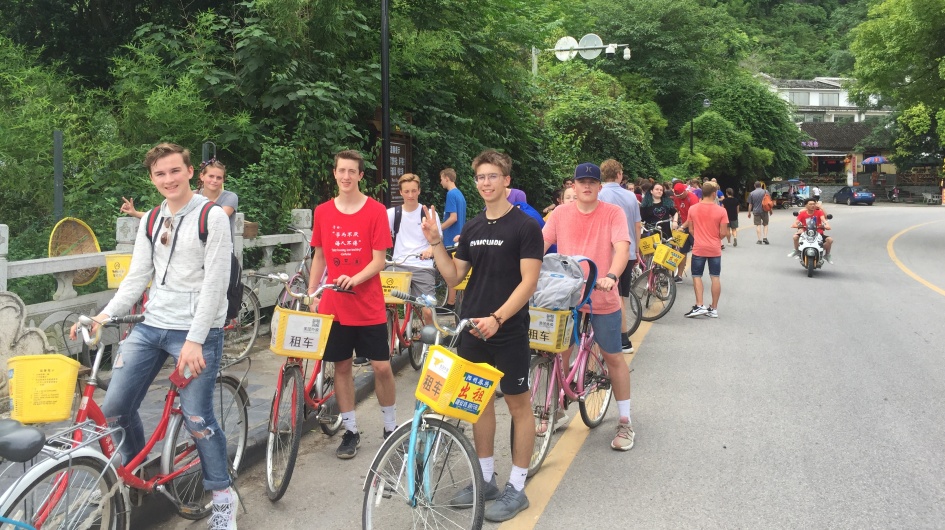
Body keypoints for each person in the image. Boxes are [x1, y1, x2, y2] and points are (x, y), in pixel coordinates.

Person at [73, 142, 237, 529]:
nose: (168, 179)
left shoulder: (211, 217)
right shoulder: (150, 219)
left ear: (190, 171)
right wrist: (105, 314)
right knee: (115, 406)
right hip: (151, 324)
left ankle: (221, 495)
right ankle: (136, 472)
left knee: (197, 416)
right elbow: (137, 276)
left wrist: (196, 339)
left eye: (174, 171)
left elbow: (217, 281)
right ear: (152, 178)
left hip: (196, 331)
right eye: (160, 174)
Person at [420, 149, 542, 523]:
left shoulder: (525, 227)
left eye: (493, 176)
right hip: (472, 328)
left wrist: (499, 317)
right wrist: (437, 241)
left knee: (519, 406)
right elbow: (454, 277)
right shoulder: (472, 227)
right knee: (479, 401)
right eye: (481, 177)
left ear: (507, 181)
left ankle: (517, 487)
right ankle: (486, 478)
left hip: (508, 330)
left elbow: (529, 282)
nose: (486, 183)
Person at [308, 149, 396, 459]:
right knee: (341, 367)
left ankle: (390, 426)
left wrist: (355, 279)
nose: (346, 176)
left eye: (352, 172)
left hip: (368, 303)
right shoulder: (322, 212)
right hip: (334, 304)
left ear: (360, 176)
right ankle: (351, 431)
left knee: (382, 367)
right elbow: (319, 255)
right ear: (335, 173)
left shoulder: (375, 211)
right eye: (341, 170)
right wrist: (311, 293)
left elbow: (379, 261)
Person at [543, 162, 636, 451]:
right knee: (557, 355)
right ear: (573, 185)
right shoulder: (560, 213)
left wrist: (611, 275)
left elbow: (621, 247)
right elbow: (538, 242)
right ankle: (555, 409)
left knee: (613, 357)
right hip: (565, 295)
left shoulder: (612, 213)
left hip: (601, 293)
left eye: (591, 182)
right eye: (580, 181)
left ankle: (625, 420)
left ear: (599, 186)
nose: (586, 186)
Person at [121, 158, 239, 240]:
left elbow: (217, 219)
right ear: (202, 176)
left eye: (219, 178)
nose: (214, 180)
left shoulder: (230, 197)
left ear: (223, 180)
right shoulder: (192, 195)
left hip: (219, 249)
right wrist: (135, 213)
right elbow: (165, 214)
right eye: (211, 176)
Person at [598, 159, 642, 354]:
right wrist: (637, 249)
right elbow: (637, 225)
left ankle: (604, 343)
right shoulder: (631, 196)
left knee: (604, 297)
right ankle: (624, 340)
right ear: (619, 175)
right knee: (621, 296)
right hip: (629, 251)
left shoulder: (598, 195)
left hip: (607, 252)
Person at [387, 173, 442, 323]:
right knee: (381, 302)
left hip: (422, 265)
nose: (410, 195)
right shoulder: (392, 214)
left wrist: (430, 251)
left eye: (413, 190)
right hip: (397, 265)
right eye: (406, 191)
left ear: (419, 190)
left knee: (428, 310)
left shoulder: (428, 214)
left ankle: (430, 342)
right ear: (400, 192)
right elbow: (378, 237)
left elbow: (437, 240)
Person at [682, 182, 729, 319]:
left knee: (697, 276)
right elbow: (724, 233)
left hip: (699, 247)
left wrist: (700, 238)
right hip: (715, 248)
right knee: (715, 277)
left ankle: (699, 305)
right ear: (714, 193)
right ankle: (713, 308)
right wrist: (715, 238)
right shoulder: (721, 210)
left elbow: (691, 229)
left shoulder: (693, 209)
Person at [439, 167, 466, 311]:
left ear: (447, 178)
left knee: (450, 273)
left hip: (451, 239)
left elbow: (453, 218)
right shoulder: (460, 195)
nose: (440, 182)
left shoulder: (451, 194)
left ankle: (450, 304)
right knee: (455, 272)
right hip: (459, 238)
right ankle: (452, 303)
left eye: (441, 179)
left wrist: (438, 229)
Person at [671, 182, 699, 282]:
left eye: (681, 195)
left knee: (697, 253)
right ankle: (679, 275)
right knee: (682, 252)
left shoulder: (693, 198)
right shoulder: (677, 198)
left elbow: (692, 217)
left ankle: (696, 275)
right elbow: (677, 211)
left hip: (694, 228)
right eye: (677, 195)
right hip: (683, 227)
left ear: (685, 191)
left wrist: (682, 226)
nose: (679, 197)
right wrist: (675, 222)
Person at [791, 197, 833, 263]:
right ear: (806, 205)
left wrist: (826, 224)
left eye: (814, 204)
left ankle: (827, 255)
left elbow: (824, 219)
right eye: (810, 204)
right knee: (795, 237)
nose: (813, 205)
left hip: (818, 233)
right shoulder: (802, 213)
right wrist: (797, 225)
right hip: (805, 233)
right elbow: (795, 223)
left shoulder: (819, 212)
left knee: (830, 240)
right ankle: (797, 250)